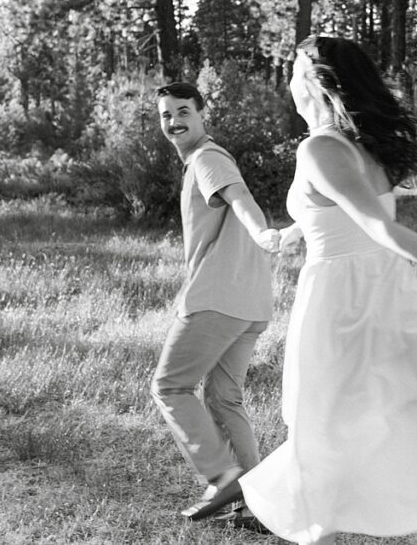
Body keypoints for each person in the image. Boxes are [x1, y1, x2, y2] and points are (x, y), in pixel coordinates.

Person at [237, 36, 417, 544]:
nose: (288, 80)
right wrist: (296, 230)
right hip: (391, 295)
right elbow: (344, 214)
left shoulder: (319, 148)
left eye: (294, 69)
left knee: (328, 437)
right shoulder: (360, 146)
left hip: (343, 306)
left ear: (316, 81)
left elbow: (377, 226)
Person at [149, 81, 280, 523]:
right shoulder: (206, 159)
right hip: (251, 303)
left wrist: (260, 230)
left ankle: (224, 479)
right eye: (166, 115)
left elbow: (239, 197)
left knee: (170, 386)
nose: (174, 121)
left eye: (183, 111)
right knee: (224, 400)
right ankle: (256, 509)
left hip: (218, 299)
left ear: (202, 114)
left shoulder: (207, 158)